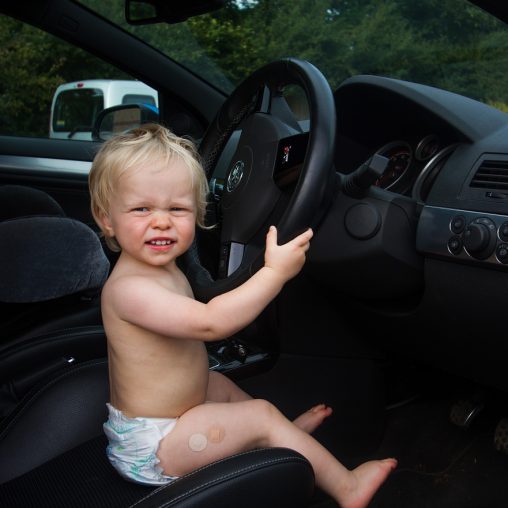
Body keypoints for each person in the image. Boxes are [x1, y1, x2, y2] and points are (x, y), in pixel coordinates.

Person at [89, 123, 396, 507]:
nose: (162, 221)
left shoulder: (162, 268)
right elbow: (211, 322)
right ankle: (348, 487)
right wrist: (274, 273)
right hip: (157, 446)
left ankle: (282, 436)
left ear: (197, 212)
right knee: (260, 414)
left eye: (177, 209)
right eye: (141, 209)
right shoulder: (130, 289)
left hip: (174, 418)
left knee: (218, 384)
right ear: (106, 218)